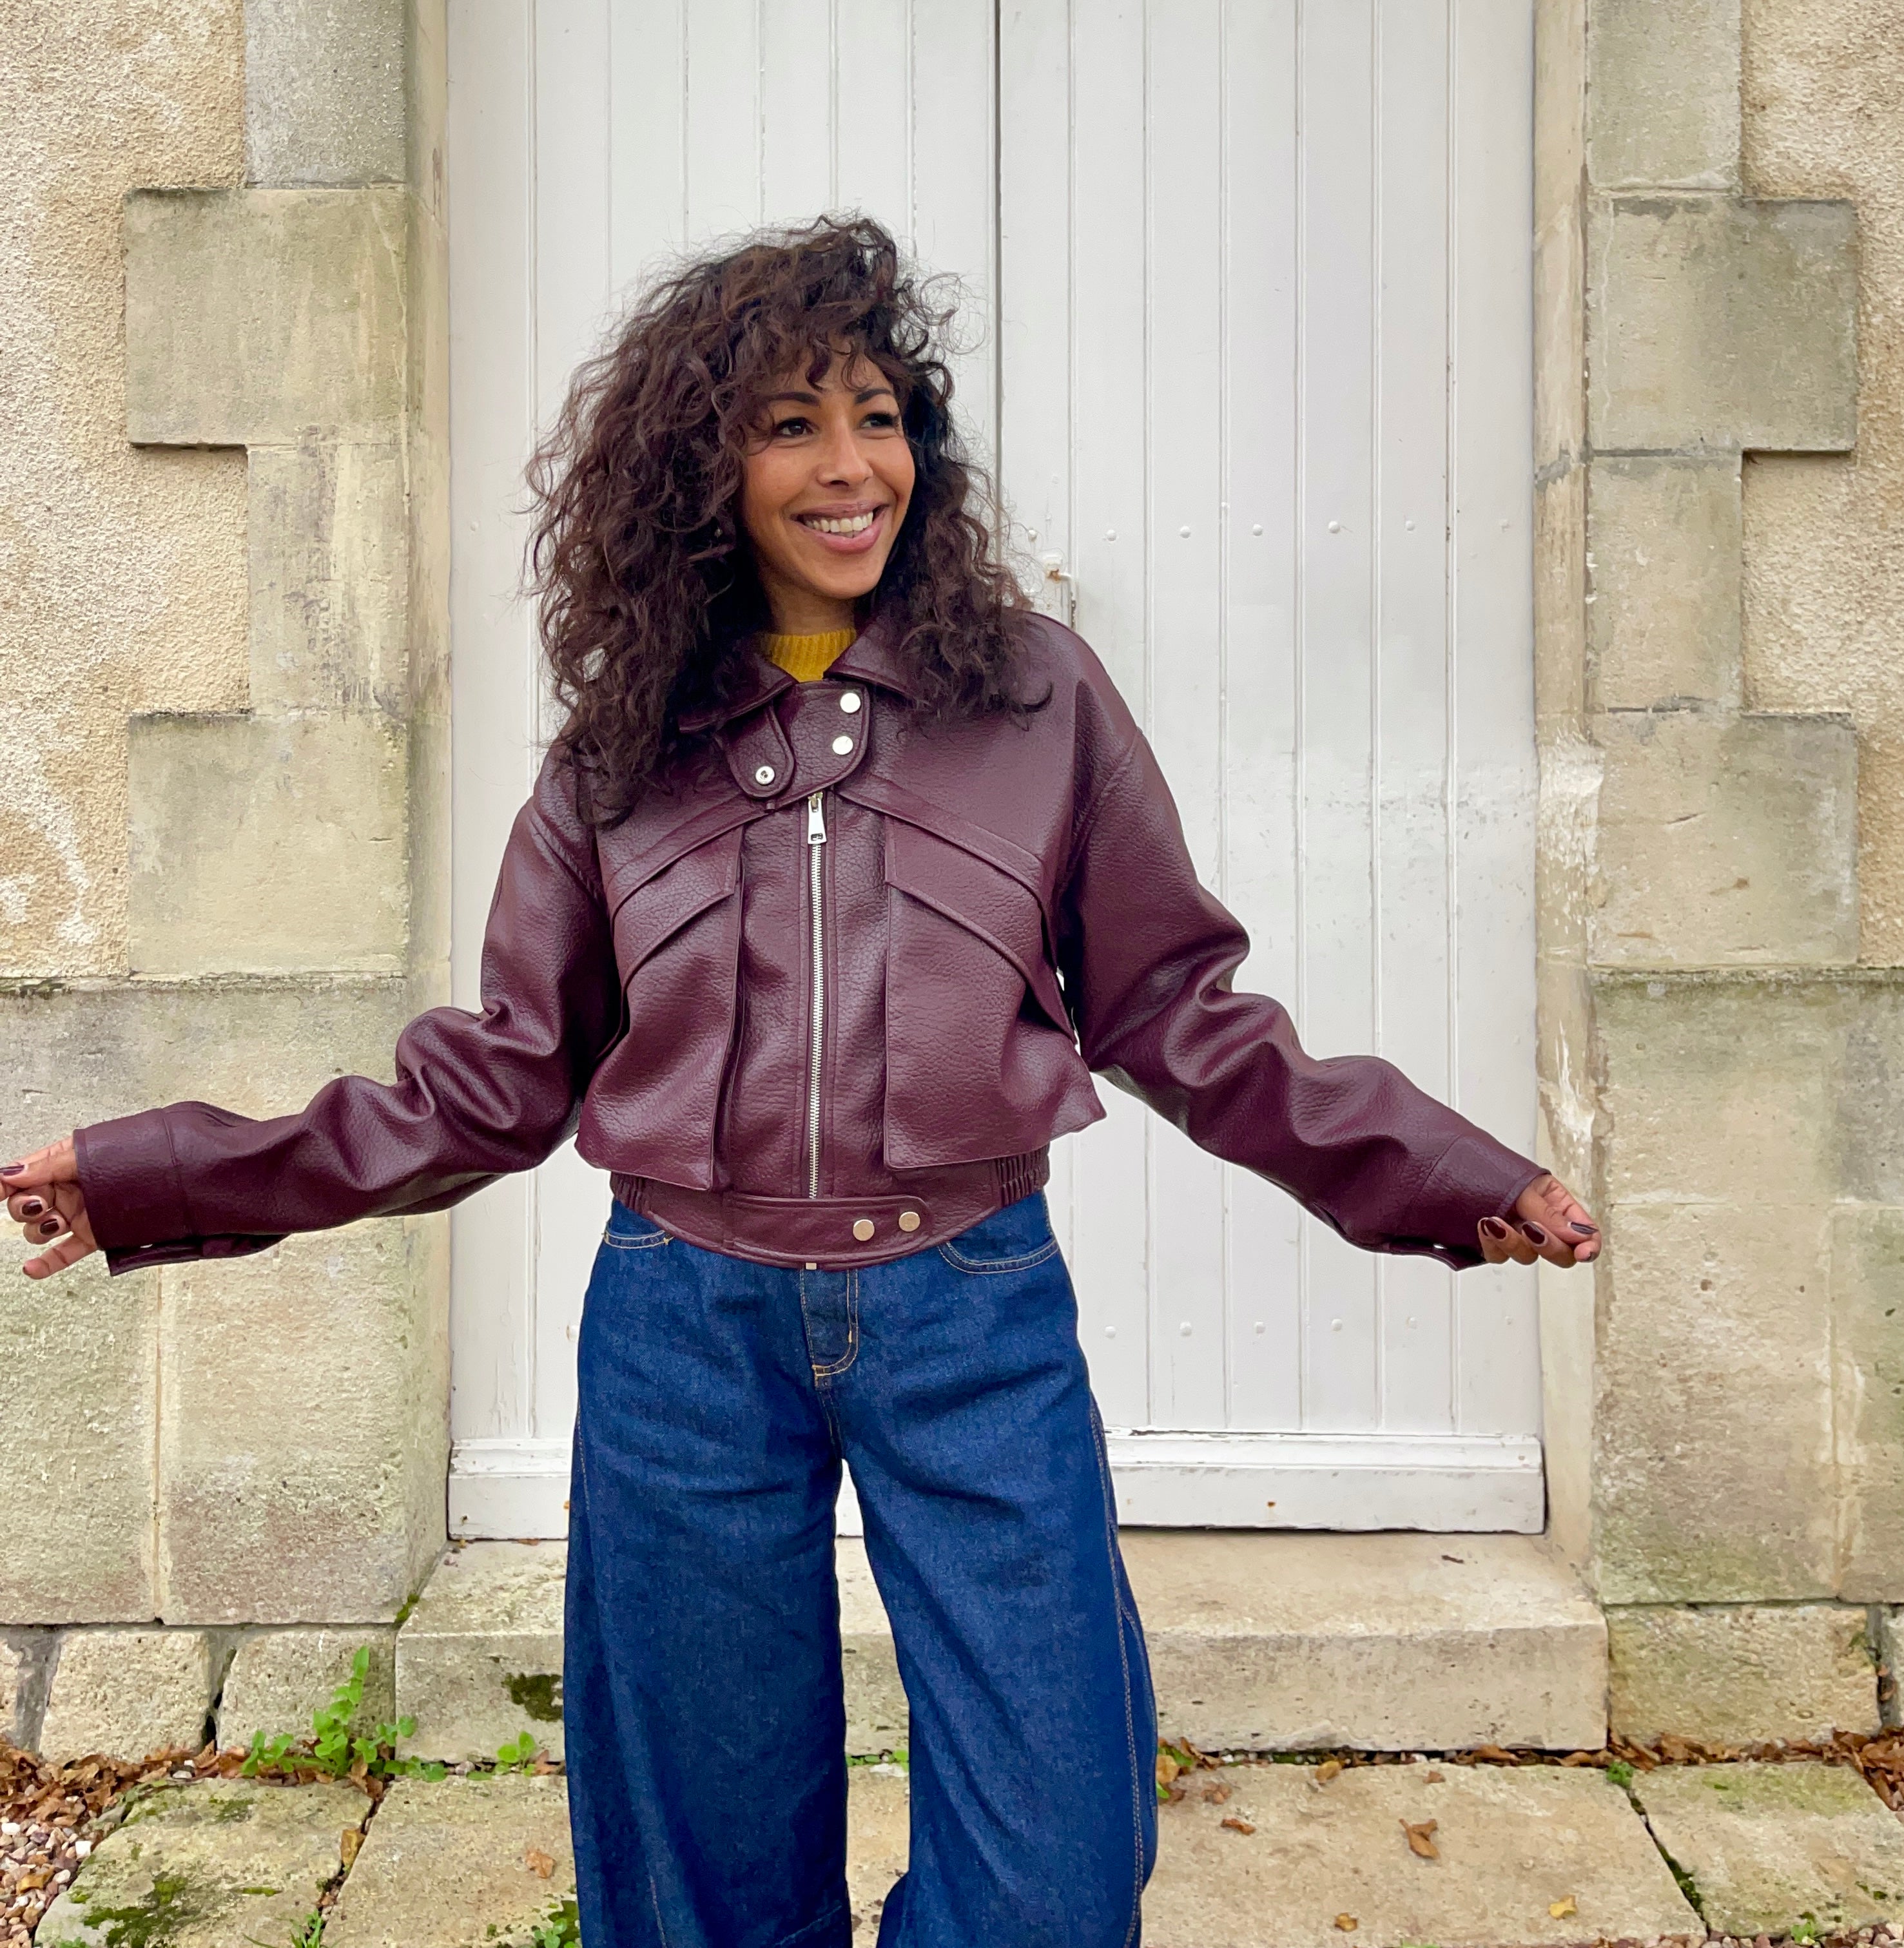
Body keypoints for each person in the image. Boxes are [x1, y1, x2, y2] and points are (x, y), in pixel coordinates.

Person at [7, 216, 1599, 1947]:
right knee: (700, 1889)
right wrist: (162, 1174)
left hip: (973, 1310)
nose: (853, 470)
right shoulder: (623, 748)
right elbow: (487, 1084)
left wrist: (1445, 1173)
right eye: (790, 426)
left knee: (1057, 1881)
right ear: (703, 468)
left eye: (881, 416)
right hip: (684, 1328)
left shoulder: (1039, 699)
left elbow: (1177, 1009)